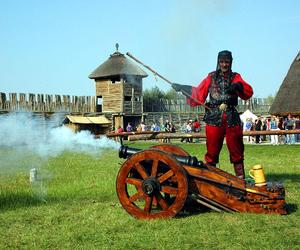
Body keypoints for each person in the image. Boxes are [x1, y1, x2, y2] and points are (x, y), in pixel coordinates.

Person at [172, 50, 253, 179]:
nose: (224, 65)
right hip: (214, 117)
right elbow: (199, 93)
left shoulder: (236, 77)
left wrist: (238, 86)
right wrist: (184, 88)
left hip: (231, 117)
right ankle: (212, 179)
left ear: (231, 62)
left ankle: (241, 179)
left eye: (227, 62)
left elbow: (248, 92)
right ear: (218, 62)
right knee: (212, 152)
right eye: (222, 62)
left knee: (236, 149)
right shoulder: (211, 77)